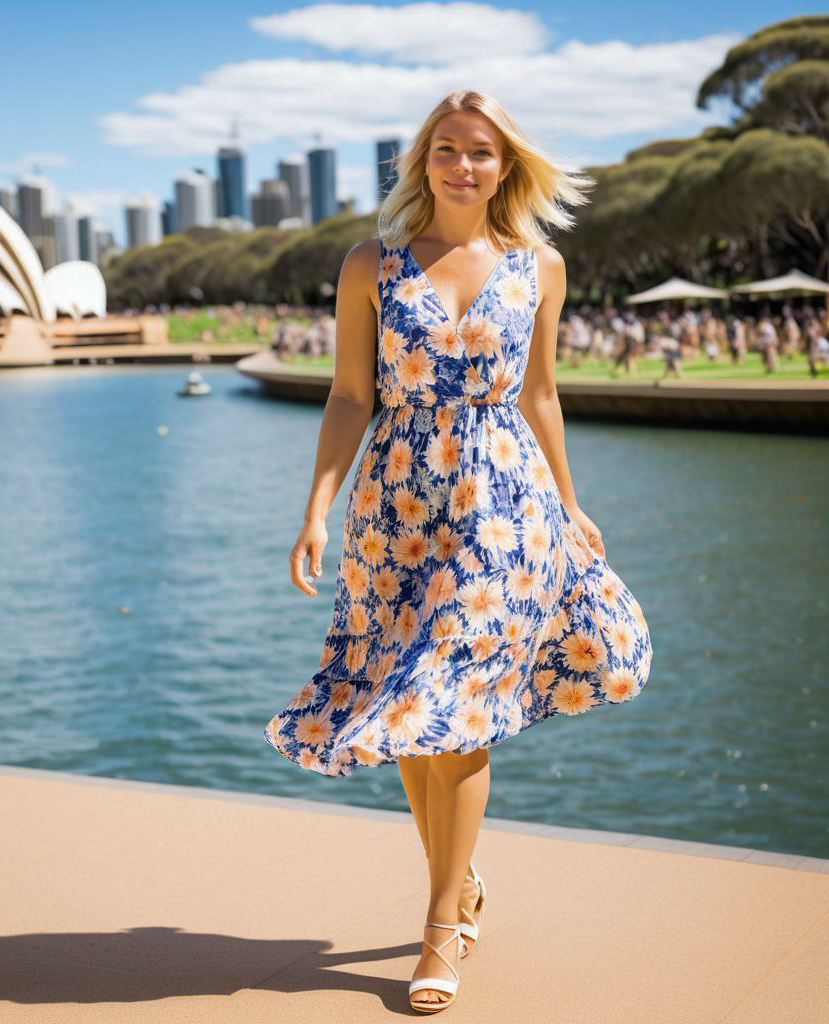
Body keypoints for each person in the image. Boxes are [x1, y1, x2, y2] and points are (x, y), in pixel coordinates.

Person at [263, 89, 653, 1014]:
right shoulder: (371, 263)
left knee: (462, 710)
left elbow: (541, 396)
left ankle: (441, 926)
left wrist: (570, 502)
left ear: (505, 166)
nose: (462, 166)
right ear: (423, 161)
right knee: (408, 708)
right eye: (446, 149)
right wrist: (317, 510)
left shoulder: (540, 267)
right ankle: (463, 883)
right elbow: (349, 396)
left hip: (501, 511)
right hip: (397, 507)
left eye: (481, 152)